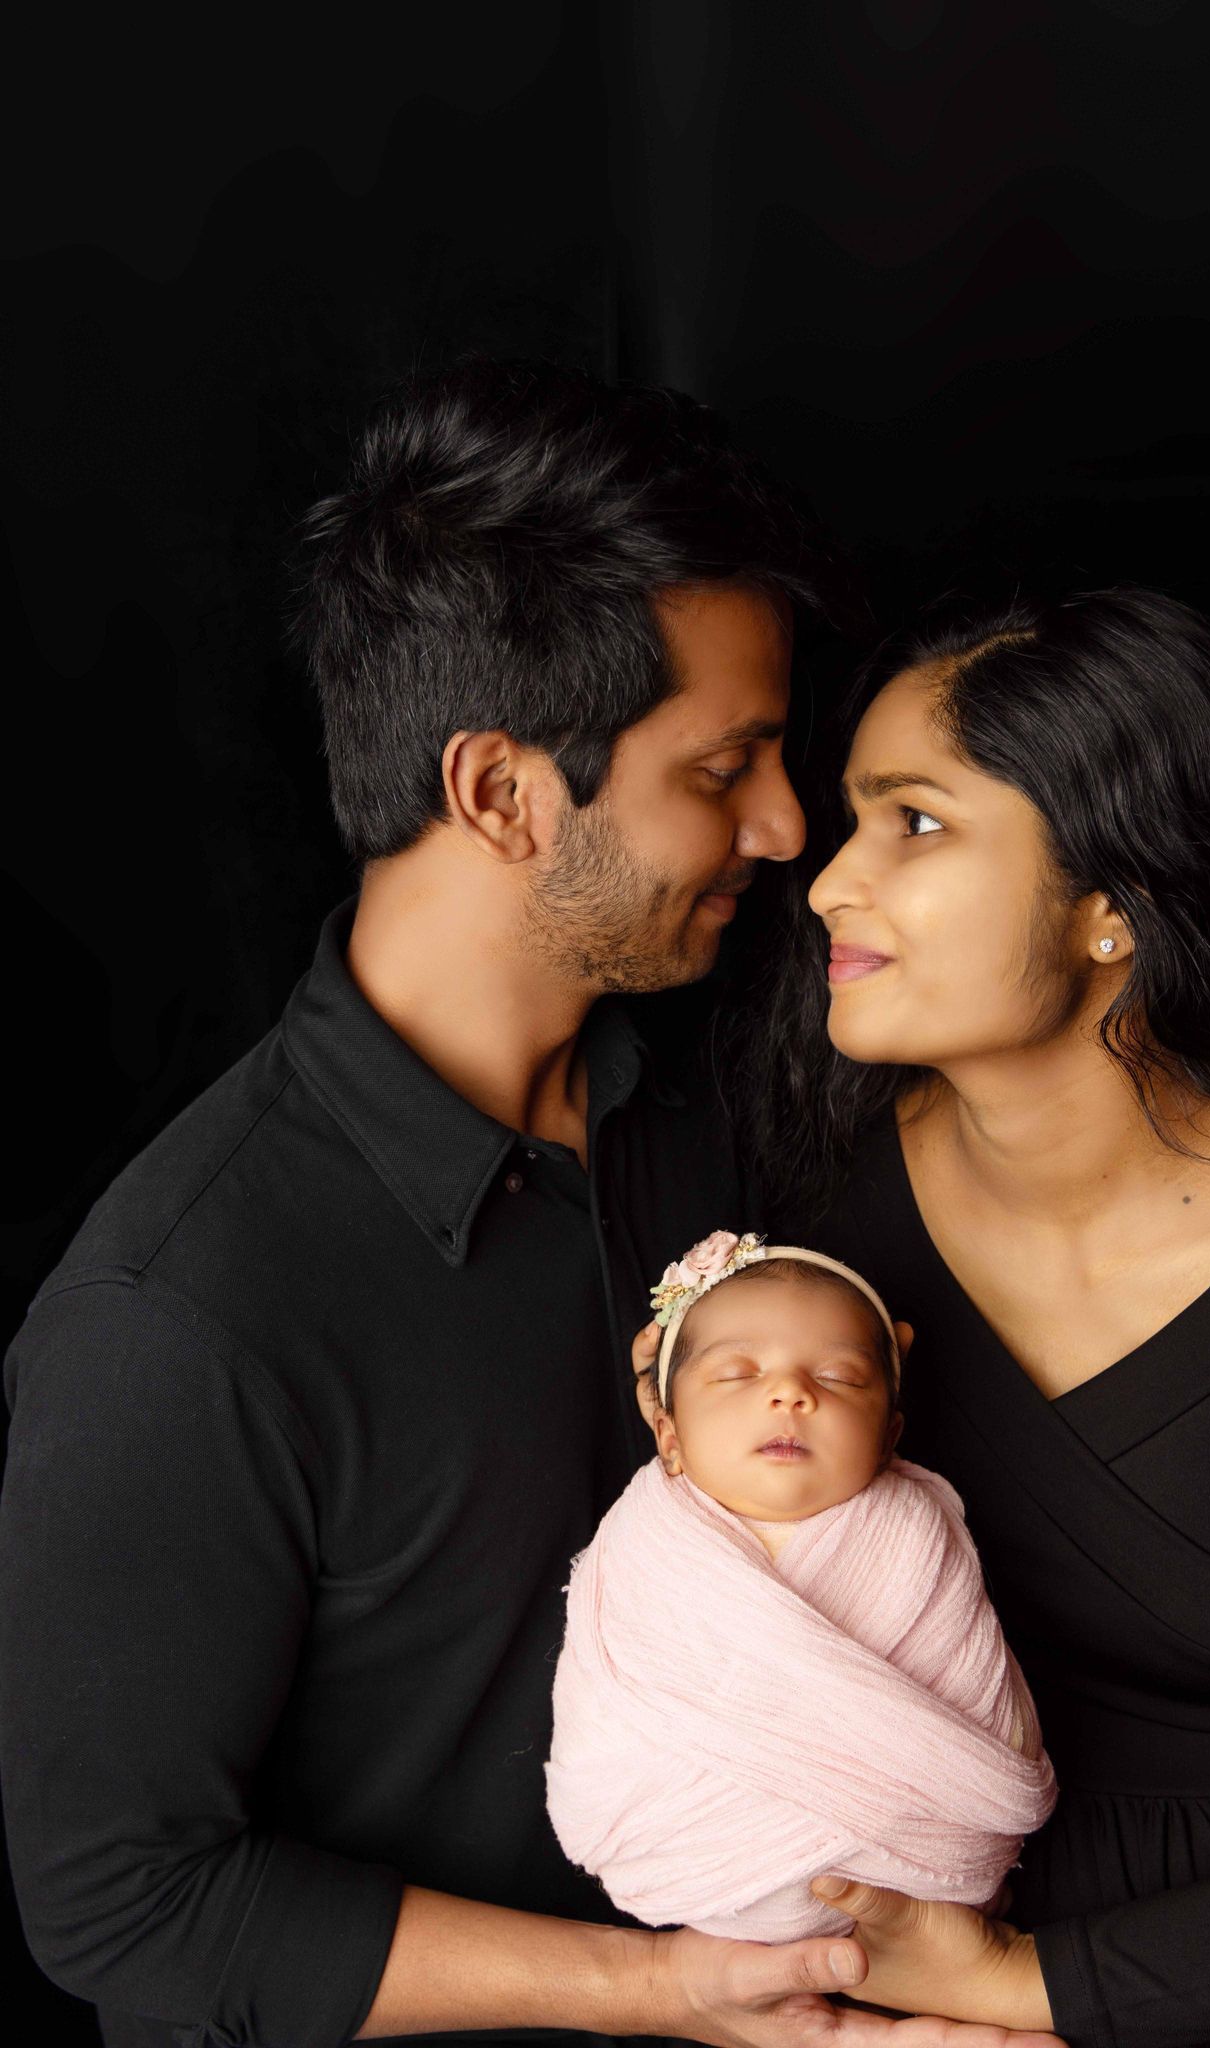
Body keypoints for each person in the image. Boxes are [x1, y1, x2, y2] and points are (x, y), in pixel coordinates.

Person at [0, 357, 918, 2048]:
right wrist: (659, 1996)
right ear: (499, 791)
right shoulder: (181, 1310)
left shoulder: (723, 1106)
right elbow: (117, 1897)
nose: (788, 827)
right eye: (723, 768)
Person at [728, 586, 1210, 2045]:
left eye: (916, 823)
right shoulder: (816, 1200)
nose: (827, 882)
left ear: (1110, 911)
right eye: (851, 819)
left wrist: (1027, 1994)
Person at [546, 1233, 1054, 1946]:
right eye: (735, 1375)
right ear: (668, 1432)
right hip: (693, 1874)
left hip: (924, 1903)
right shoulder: (643, 1545)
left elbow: (986, 1716)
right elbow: (597, 1727)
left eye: (842, 1378)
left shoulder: (916, 1536)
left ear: (888, 1438)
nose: (791, 1392)